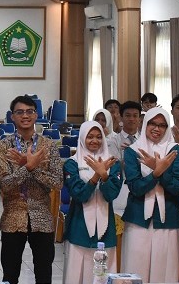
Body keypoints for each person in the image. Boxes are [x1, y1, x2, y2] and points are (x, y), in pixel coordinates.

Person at [0, 95, 63, 284]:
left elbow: (58, 183)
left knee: (44, 275)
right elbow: (5, 184)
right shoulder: (3, 146)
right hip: (13, 216)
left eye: (29, 111)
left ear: (36, 115)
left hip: (42, 216)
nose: (25, 116)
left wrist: (32, 167)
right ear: (12, 116)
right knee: (10, 275)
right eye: (20, 112)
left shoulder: (48, 146)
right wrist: (28, 167)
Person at [120, 108, 179, 283]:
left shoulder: (175, 151)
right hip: (138, 219)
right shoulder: (133, 151)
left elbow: (178, 187)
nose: (157, 128)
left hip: (168, 220)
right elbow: (135, 187)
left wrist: (160, 172)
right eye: (152, 124)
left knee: (165, 273)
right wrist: (156, 173)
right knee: (135, 271)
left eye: (162, 125)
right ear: (145, 124)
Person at [63, 121, 122, 284]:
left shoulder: (113, 164)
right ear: (82, 138)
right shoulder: (72, 163)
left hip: (106, 230)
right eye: (90, 137)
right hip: (79, 228)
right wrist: (97, 176)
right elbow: (79, 194)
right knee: (77, 274)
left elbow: (112, 194)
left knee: (104, 274)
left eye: (98, 137)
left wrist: (105, 176)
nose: (94, 141)